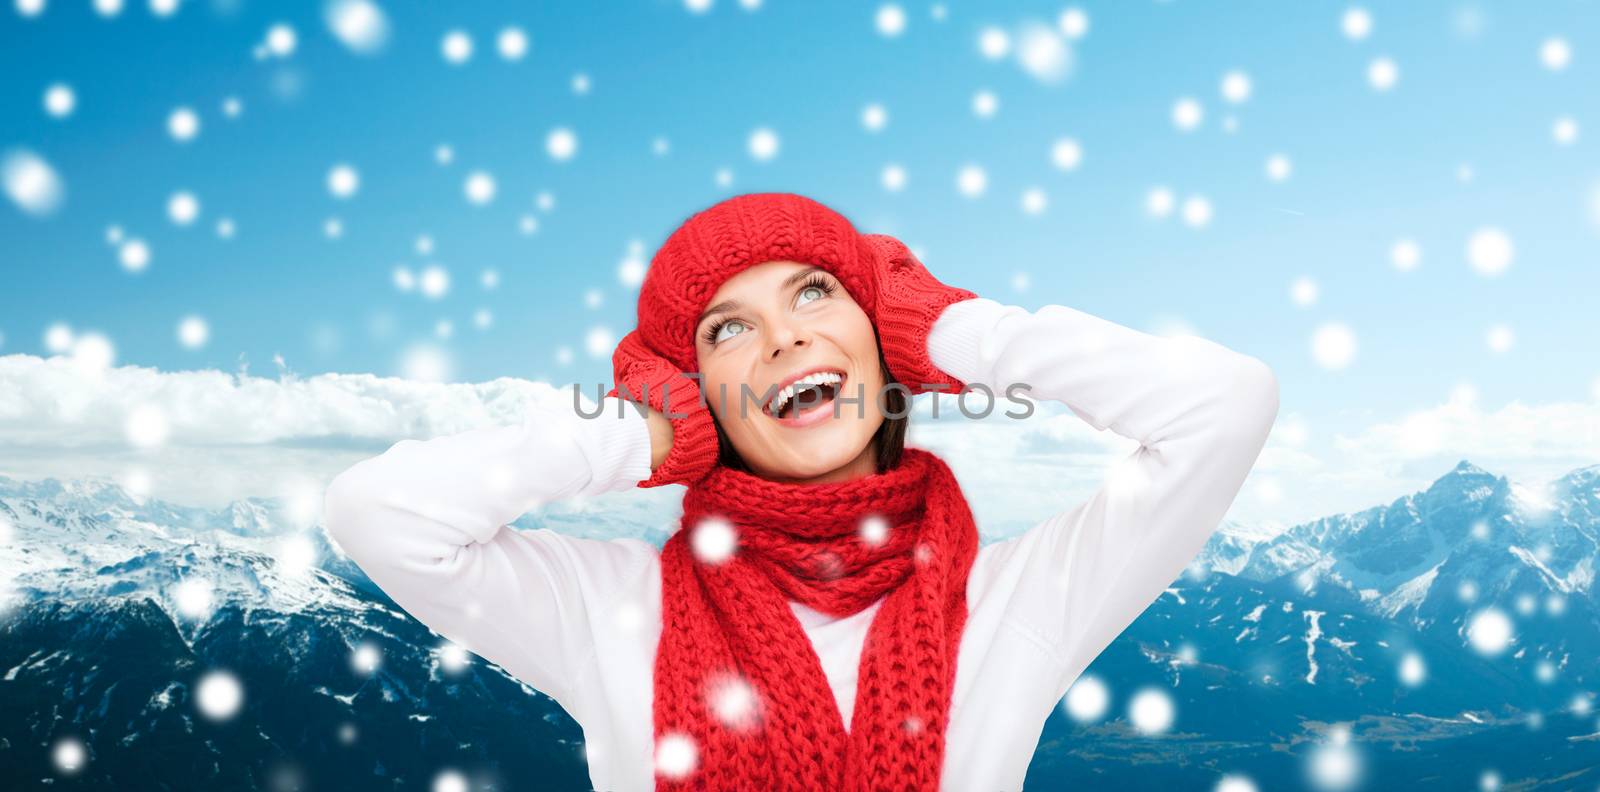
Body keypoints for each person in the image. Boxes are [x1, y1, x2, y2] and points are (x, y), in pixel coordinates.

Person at [323, 192, 1279, 791]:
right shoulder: (611, 610)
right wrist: (643, 433)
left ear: (881, 338)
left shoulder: (1015, 603)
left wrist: (950, 330)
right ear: (698, 390)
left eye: (817, 293)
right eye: (726, 330)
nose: (783, 339)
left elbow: (1224, 406)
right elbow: (379, 516)